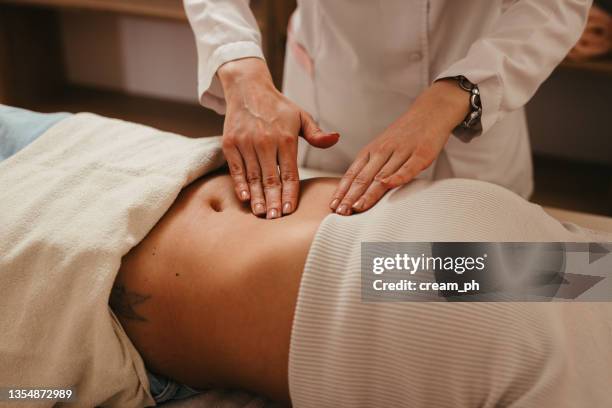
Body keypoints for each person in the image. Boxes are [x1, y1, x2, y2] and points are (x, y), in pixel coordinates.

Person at [184, 0, 591, 219]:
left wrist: (461, 90)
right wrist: (238, 68)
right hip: (334, 106)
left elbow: (557, 4)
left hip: (472, 126)